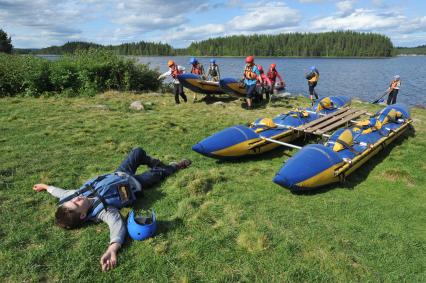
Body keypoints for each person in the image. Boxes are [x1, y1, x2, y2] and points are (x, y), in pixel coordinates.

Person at [33, 147, 191, 272]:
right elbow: (117, 227)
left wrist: (45, 187)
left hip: (121, 171)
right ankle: (174, 166)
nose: (76, 198)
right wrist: (112, 248)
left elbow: (60, 193)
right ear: (82, 215)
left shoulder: (74, 196)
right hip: (136, 183)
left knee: (138, 151)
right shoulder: (104, 211)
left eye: (72, 200)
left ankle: (155, 163)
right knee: (159, 173)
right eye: (76, 203)